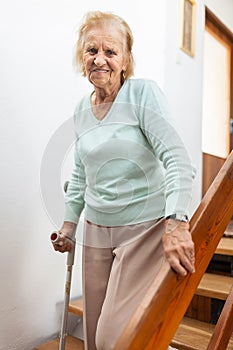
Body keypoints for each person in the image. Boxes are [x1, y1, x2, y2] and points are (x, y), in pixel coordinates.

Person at [52, 11, 195, 350]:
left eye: (111, 51)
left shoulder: (142, 94)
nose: (99, 59)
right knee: (92, 335)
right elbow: (81, 173)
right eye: (91, 50)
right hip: (97, 229)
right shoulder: (81, 110)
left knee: (114, 338)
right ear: (81, 57)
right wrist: (70, 226)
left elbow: (177, 159)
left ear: (127, 59)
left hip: (142, 229)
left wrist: (177, 222)